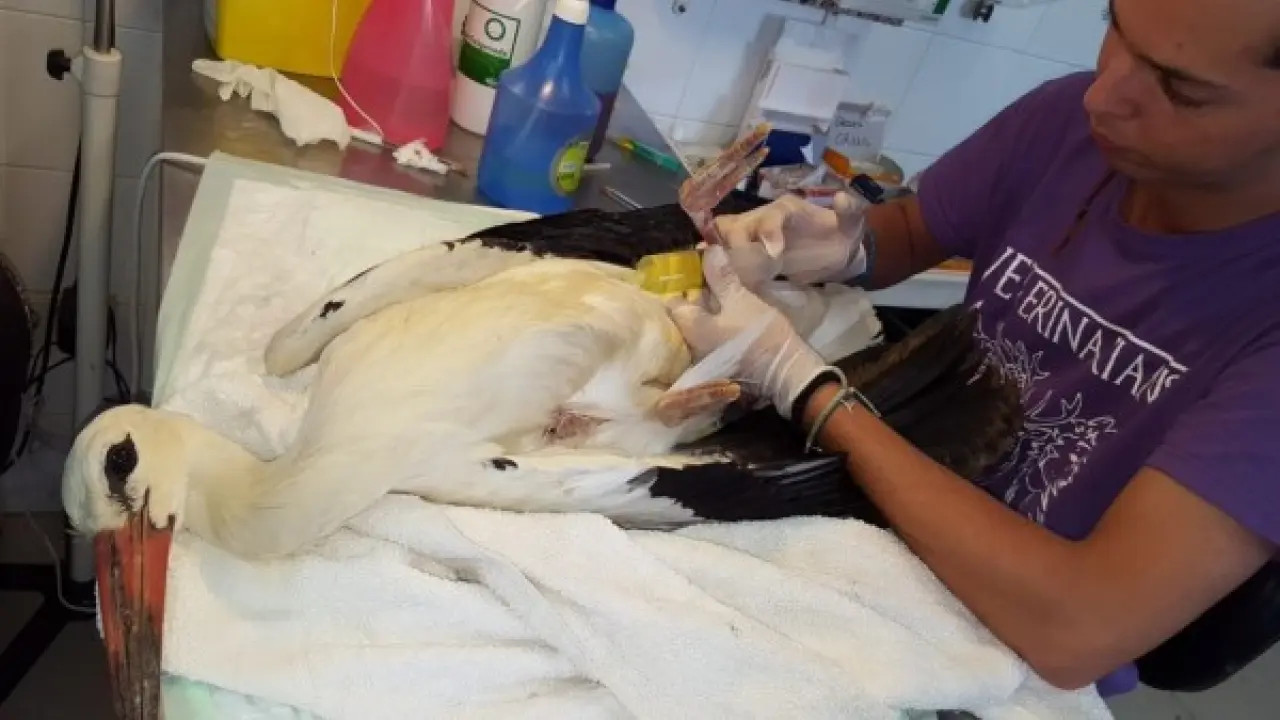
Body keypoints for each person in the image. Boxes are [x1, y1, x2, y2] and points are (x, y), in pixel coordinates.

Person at [667, 0, 1280, 696]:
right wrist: (842, 248)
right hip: (867, 522)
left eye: (1181, 89)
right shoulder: (1064, 123)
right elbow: (910, 232)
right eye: (1114, 27)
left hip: (1002, 650)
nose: (1103, 96)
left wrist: (809, 391)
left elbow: (1077, 628)